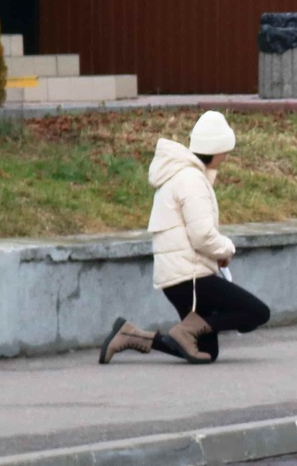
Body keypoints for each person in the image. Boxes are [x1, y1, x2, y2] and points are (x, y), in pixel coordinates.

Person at [99, 109, 272, 366]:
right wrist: (227, 249)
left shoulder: (181, 175)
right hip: (190, 278)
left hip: (176, 278)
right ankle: (187, 330)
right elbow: (202, 236)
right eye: (225, 150)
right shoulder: (191, 180)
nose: (226, 157)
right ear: (216, 148)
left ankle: (130, 335)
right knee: (256, 312)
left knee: (206, 352)